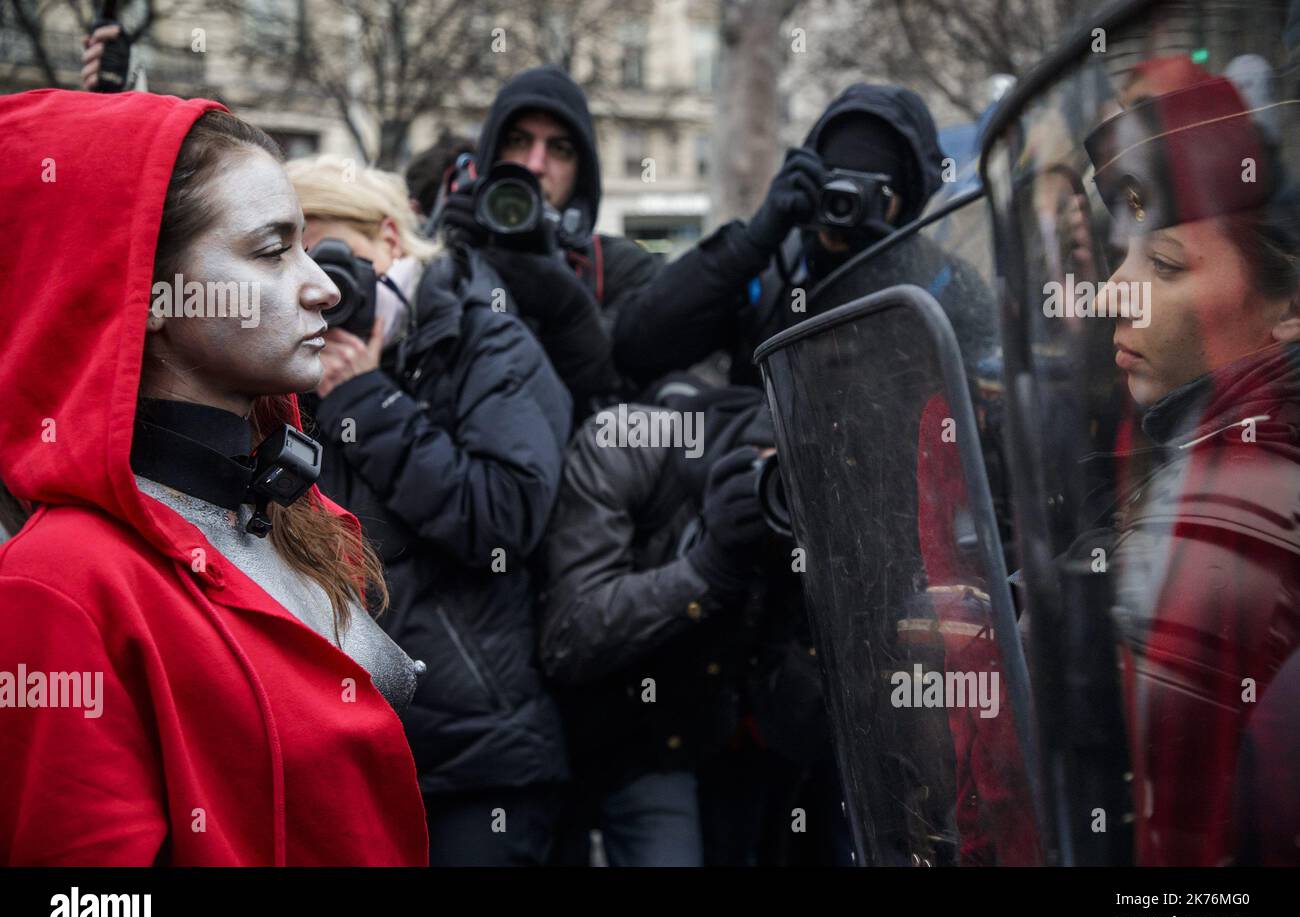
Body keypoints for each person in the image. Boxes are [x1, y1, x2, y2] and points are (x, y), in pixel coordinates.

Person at [0, 90, 427, 865]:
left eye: (305, 245)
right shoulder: (57, 579)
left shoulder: (291, 510)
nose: (324, 286)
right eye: (271, 251)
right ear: (151, 291)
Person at [286, 155, 573, 866]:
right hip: (335, 751)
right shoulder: (287, 354)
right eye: (286, 263)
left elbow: (505, 512)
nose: (317, 288)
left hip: (477, 759)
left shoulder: (482, 333)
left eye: (327, 254)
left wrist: (365, 399)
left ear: (389, 236)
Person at [1080, 66, 1300, 864]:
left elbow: (1178, 839)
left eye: (1165, 266)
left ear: (1290, 306)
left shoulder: (1249, 484)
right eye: (1124, 256)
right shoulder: (1193, 444)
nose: (1111, 295)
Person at [539, 384, 826, 865]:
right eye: (772, 471)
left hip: (684, 749)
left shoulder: (802, 533)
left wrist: (807, 579)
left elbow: (795, 725)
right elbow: (569, 637)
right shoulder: (628, 446)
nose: (779, 497)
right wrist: (705, 568)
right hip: (570, 735)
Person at [612, 84, 945, 387]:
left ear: (908, 204)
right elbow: (637, 350)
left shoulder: (941, 285)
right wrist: (749, 243)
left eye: (871, 190)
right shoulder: (771, 273)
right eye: (833, 180)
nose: (845, 203)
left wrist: (884, 269)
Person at [438, 65, 660, 418]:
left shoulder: (621, 268)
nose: (536, 164)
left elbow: (616, 406)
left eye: (560, 149)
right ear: (490, 155)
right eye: (518, 141)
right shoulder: (451, 249)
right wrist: (444, 250)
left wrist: (566, 305)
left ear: (582, 171)